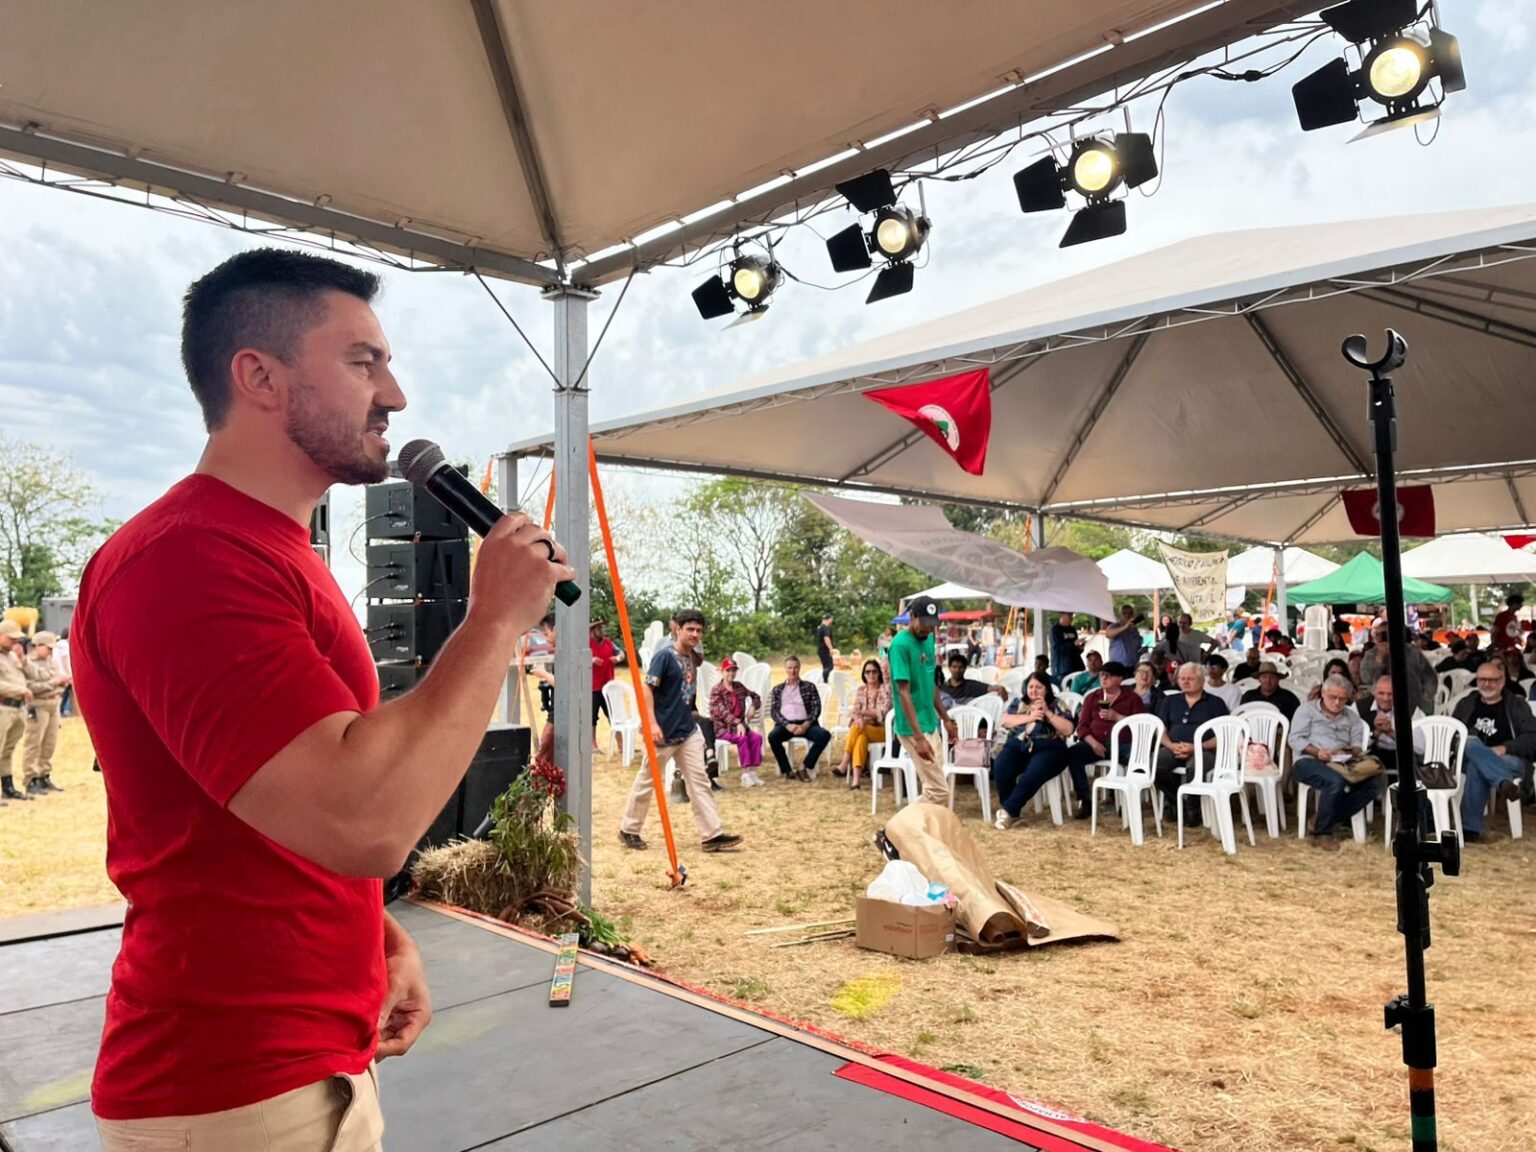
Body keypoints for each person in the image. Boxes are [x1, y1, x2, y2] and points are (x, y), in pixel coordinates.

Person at [73, 248, 578, 1148]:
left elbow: (271, 810)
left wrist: (376, 938)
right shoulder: (190, 561)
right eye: (363, 362)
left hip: (308, 1061)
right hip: (231, 1090)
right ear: (259, 376)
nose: (397, 395)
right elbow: (360, 818)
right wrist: (494, 621)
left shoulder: (268, 555)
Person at [619, 608, 741, 853]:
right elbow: (647, 690)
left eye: (699, 631)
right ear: (678, 629)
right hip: (663, 732)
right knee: (647, 781)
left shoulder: (692, 657)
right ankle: (628, 830)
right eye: (690, 629)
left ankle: (711, 835)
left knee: (700, 781)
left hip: (687, 730)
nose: (695, 634)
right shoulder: (664, 657)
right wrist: (651, 723)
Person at [1289, 674, 1377, 852]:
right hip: (1308, 759)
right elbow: (1295, 739)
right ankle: (1323, 833)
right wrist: (1317, 752)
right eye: (1333, 697)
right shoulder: (1306, 710)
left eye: (1342, 699)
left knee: (1373, 785)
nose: (1337, 703)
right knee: (1334, 781)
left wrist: (1348, 752)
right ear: (1323, 693)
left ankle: (1322, 818)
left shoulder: (1352, 717)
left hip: (1341, 761)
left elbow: (1358, 746)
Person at [1452, 660, 1536, 843]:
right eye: (1482, 679)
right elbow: (1453, 733)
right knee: (1471, 745)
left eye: (1492, 680)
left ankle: (1470, 829)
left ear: (1502, 681)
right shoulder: (1466, 704)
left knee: (1477, 762)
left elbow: (1532, 738)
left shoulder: (1516, 705)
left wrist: (1504, 748)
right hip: (1470, 760)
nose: (1486, 684)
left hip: (1511, 759)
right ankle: (1503, 782)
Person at [889, 595, 958, 805]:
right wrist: (919, 738)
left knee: (935, 788)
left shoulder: (929, 639)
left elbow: (930, 684)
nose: (928, 629)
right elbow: (903, 693)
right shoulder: (900, 645)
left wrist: (945, 718)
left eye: (932, 624)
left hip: (931, 722)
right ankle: (894, 832)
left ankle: (925, 833)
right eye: (924, 624)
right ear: (911, 616)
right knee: (939, 792)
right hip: (912, 728)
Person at [991, 671, 1076, 829]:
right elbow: (1006, 720)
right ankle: (1010, 809)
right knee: (1002, 765)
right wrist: (1030, 717)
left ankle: (1008, 811)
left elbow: (1068, 729)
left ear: (1047, 689)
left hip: (1050, 748)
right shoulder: (1019, 702)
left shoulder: (1057, 704)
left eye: (1039, 687)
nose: (1034, 691)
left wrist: (1048, 714)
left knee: (1035, 770)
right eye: (1031, 687)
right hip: (1020, 745)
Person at [1064, 661, 1145, 819]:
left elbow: (1141, 725)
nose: (1104, 678)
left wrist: (1118, 717)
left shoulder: (1132, 698)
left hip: (1122, 745)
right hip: (1096, 743)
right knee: (1073, 754)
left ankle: (1128, 801)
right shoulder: (1092, 698)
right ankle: (1084, 800)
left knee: (1137, 757)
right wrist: (1092, 742)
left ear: (1120, 679)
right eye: (1102, 674)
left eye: (1109, 675)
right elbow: (1082, 726)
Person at [1153, 663, 1229, 826]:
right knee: (1153, 764)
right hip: (1174, 747)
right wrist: (1171, 745)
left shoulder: (1215, 703)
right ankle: (1175, 801)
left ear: (1201, 681)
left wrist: (1196, 747)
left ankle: (1193, 807)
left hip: (1205, 750)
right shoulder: (1170, 701)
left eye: (1190, 679)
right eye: (1182, 678)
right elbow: (1160, 730)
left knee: (1196, 767)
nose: (1185, 682)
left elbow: (1224, 735)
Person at [768, 655, 832, 781]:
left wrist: (806, 724)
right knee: (773, 737)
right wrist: (787, 725)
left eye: (795, 668)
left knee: (824, 735)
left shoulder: (809, 687)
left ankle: (804, 767)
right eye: (790, 668)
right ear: (785, 669)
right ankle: (787, 770)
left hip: (807, 724)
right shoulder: (778, 689)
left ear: (799, 668)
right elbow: (774, 712)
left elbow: (816, 709)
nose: (793, 671)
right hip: (786, 725)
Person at [21, 631, 67, 794]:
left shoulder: (50, 662)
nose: (51, 651)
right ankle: (30, 778)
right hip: (37, 705)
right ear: (38, 646)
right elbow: (29, 686)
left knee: (49, 742)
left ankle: (44, 775)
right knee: (34, 743)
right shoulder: (27, 663)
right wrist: (53, 683)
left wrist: (56, 684)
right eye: (48, 648)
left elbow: (59, 682)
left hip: (52, 704)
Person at [1358, 673, 1425, 785]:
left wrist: (1391, 732)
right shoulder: (1359, 707)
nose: (1386, 698)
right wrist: (1376, 733)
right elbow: (1354, 744)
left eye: (1390, 694)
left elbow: (1420, 747)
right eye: (1381, 693)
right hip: (1374, 753)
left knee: (1410, 761)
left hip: (1402, 755)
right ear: (1373, 692)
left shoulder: (1412, 710)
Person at [836, 659, 892, 789]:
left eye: (874, 671)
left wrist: (862, 714)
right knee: (860, 738)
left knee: (857, 727)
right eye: (867, 672)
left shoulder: (885, 689)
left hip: (883, 730)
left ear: (879, 673)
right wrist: (859, 717)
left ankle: (844, 762)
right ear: (864, 675)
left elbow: (882, 712)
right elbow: (854, 711)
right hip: (864, 728)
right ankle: (856, 781)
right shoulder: (861, 690)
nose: (871, 675)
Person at [1359, 621, 1436, 715]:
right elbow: (1366, 678)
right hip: (1383, 704)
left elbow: (1430, 677)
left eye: (1385, 634)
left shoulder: (1413, 653)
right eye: (1378, 635)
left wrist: (1426, 697)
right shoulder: (1371, 655)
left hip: (1413, 702)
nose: (1382, 638)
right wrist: (1379, 660)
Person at [710, 659, 764, 788]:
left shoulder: (739, 687)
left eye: (734, 670)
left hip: (740, 727)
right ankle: (745, 775)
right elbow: (720, 712)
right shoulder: (716, 690)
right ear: (722, 672)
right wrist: (737, 722)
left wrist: (753, 707)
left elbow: (756, 696)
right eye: (728, 670)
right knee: (742, 738)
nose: (731, 673)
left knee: (757, 738)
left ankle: (753, 772)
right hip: (723, 728)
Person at [0, 620, 32, 803]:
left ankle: (7, 787)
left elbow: (23, 676)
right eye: (11, 638)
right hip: (3, 707)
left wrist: (23, 660)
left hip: (17, 708)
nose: (15, 642)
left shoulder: (12, 656)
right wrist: (21, 691)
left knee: (8, 750)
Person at [589, 617, 622, 739]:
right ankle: (593, 746)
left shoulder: (608, 642)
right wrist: (591, 660)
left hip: (608, 685)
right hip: (593, 687)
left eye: (601, 627)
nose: (602, 630)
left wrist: (617, 658)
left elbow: (621, 653)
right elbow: (577, 658)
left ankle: (620, 744)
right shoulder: (585, 644)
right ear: (592, 630)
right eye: (599, 628)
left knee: (614, 715)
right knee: (592, 717)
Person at [1102, 603, 1144, 668]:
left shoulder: (1134, 629)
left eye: (1130, 613)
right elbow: (1107, 634)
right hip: (1118, 666)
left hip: (1134, 665)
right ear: (1120, 615)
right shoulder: (1114, 626)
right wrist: (1124, 627)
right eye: (1124, 613)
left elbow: (1138, 644)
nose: (1128, 615)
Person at [1049, 611, 1082, 677]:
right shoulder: (1055, 630)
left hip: (1076, 666)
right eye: (1069, 614)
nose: (1071, 617)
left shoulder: (1072, 629)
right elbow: (1057, 649)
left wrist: (1080, 648)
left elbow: (1075, 649)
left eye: (1072, 614)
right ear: (1061, 615)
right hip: (1062, 668)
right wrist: (1073, 644)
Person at [53, 624, 74, 718]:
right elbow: (65, 659)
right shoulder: (65, 645)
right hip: (64, 673)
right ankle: (63, 710)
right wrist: (68, 673)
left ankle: (61, 711)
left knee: (61, 693)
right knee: (63, 694)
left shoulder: (57, 644)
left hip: (57, 671)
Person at [815, 612, 836, 679]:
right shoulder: (825, 627)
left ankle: (825, 680)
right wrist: (830, 648)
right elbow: (826, 638)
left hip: (821, 649)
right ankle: (824, 681)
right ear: (829, 619)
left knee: (826, 666)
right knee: (830, 666)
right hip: (824, 650)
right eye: (831, 619)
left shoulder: (820, 627)